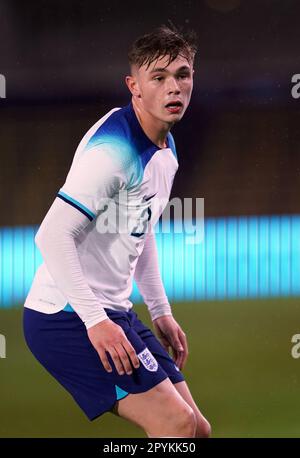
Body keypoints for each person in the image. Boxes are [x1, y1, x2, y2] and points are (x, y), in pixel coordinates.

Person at [23, 24, 211, 438]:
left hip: (112, 311)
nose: (173, 88)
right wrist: (96, 321)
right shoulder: (113, 152)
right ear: (134, 87)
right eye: (158, 78)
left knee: (197, 430)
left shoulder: (165, 149)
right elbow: (51, 236)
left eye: (182, 75)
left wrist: (160, 309)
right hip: (65, 317)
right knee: (176, 426)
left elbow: (140, 232)